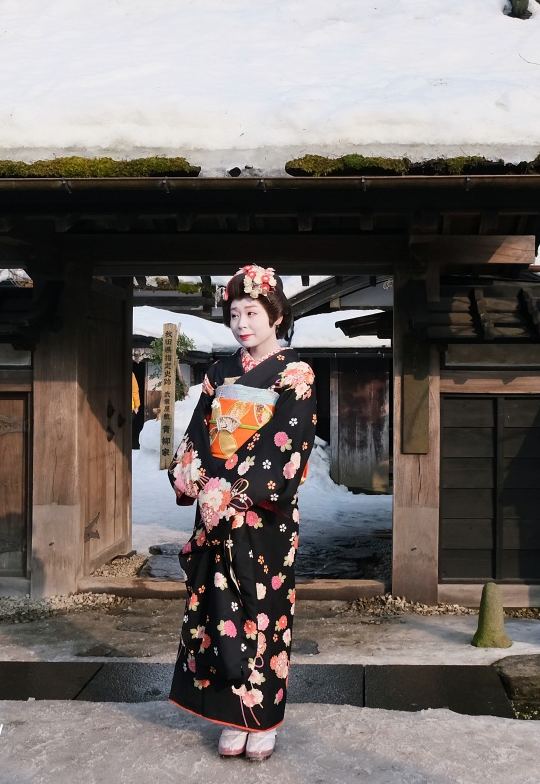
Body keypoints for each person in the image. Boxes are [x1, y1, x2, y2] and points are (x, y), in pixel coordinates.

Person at [167, 265, 317, 762]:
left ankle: (263, 717)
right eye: (234, 314)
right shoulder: (219, 372)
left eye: (252, 312)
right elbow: (198, 435)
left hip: (262, 516)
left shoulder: (296, 374)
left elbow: (287, 446)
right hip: (215, 510)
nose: (242, 324)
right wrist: (194, 476)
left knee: (262, 612)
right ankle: (231, 715)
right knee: (217, 610)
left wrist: (234, 491)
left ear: (276, 315)